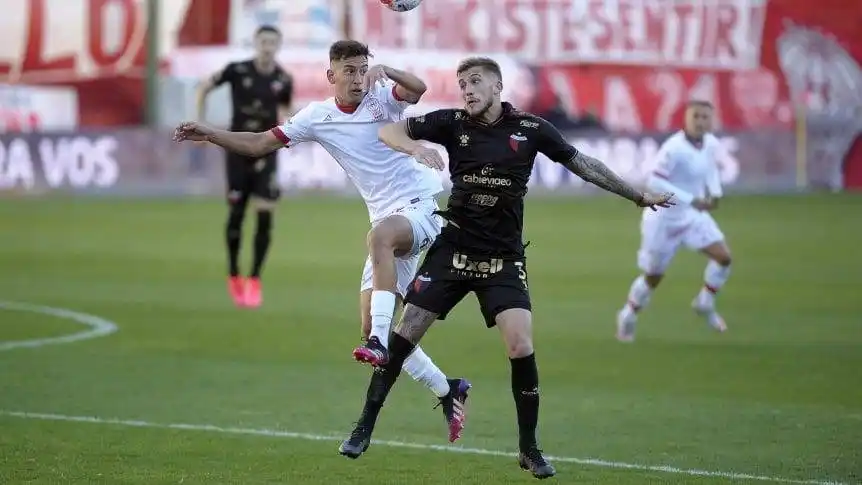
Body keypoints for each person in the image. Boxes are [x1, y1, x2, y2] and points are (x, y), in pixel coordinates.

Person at [338, 56, 674, 478]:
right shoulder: (450, 122)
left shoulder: (531, 129)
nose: (467, 90)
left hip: (503, 258)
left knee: (520, 346)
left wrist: (637, 195)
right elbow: (390, 129)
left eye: (475, 81)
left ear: (498, 86)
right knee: (402, 337)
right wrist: (415, 145)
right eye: (462, 83)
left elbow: (583, 164)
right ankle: (363, 426)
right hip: (453, 251)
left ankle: (529, 448)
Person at [173, 40, 471, 443]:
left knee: (378, 244)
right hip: (387, 217)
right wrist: (211, 134)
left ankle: (378, 343)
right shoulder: (317, 116)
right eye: (349, 70)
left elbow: (417, 89)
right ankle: (447, 387)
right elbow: (260, 143)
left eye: (362, 68)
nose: (357, 77)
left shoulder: (383, 97)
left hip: (421, 206)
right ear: (330, 76)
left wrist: (388, 71)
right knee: (372, 317)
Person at [616, 101, 731, 342]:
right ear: (686, 120)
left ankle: (705, 302)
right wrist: (692, 199)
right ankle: (628, 314)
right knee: (653, 276)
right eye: (696, 116)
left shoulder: (710, 144)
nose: (700, 121)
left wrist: (715, 192)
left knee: (723, 258)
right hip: (663, 219)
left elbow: (710, 171)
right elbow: (654, 183)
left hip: (691, 217)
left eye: (705, 117)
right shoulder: (674, 148)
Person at [196, 25, 294, 308]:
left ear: (278, 45)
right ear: (255, 42)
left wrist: (292, 125)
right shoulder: (237, 70)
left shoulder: (282, 79)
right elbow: (204, 86)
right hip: (237, 151)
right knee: (237, 213)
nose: (267, 46)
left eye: (272, 42)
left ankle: (254, 279)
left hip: (266, 151)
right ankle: (233, 274)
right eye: (263, 41)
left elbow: (285, 112)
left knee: (265, 214)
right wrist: (201, 120)